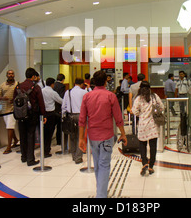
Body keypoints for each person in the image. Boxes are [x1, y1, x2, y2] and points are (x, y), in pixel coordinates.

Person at [79, 70, 127, 198]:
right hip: (106, 136)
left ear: (94, 81)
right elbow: (118, 117)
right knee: (104, 164)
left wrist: (80, 139)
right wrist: (123, 134)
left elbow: (82, 120)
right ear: (106, 81)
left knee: (97, 164)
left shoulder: (87, 97)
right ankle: (101, 195)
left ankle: (101, 191)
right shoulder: (110, 96)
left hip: (93, 136)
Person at [14, 68, 46, 166]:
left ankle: (23, 157)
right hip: (32, 115)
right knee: (31, 135)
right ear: (33, 76)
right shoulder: (35, 87)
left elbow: (13, 100)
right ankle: (30, 159)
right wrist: (43, 115)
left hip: (20, 115)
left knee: (22, 136)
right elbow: (41, 102)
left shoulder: (18, 87)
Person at [131, 81, 164, 176]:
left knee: (142, 145)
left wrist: (141, 114)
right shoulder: (154, 97)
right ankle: (151, 166)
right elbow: (162, 107)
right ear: (150, 88)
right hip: (153, 126)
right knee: (153, 146)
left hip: (142, 125)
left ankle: (144, 163)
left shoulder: (138, 98)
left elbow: (134, 111)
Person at [62, 78, 87, 164]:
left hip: (71, 116)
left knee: (72, 136)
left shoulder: (68, 92)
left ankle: (73, 155)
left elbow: (64, 105)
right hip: (81, 116)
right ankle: (78, 157)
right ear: (82, 84)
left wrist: (63, 115)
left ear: (74, 83)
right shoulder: (84, 92)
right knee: (80, 136)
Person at [0, 69, 19, 154]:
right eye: (9, 74)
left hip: (13, 109)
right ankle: (16, 140)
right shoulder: (2, 85)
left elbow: (20, 94)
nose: (11, 75)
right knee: (9, 126)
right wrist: (2, 98)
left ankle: (9, 147)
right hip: (4, 109)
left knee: (9, 127)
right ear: (7, 75)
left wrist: (14, 99)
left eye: (12, 74)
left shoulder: (17, 84)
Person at [42, 77, 63, 157]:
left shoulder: (42, 91)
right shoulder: (52, 92)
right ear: (52, 84)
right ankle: (46, 150)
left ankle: (44, 149)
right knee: (49, 133)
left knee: (44, 133)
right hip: (50, 114)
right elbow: (60, 101)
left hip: (43, 114)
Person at [53, 73, 66, 148]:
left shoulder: (53, 85)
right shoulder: (62, 86)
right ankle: (59, 141)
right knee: (59, 126)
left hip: (52, 107)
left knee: (52, 126)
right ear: (63, 79)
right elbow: (61, 97)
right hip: (59, 108)